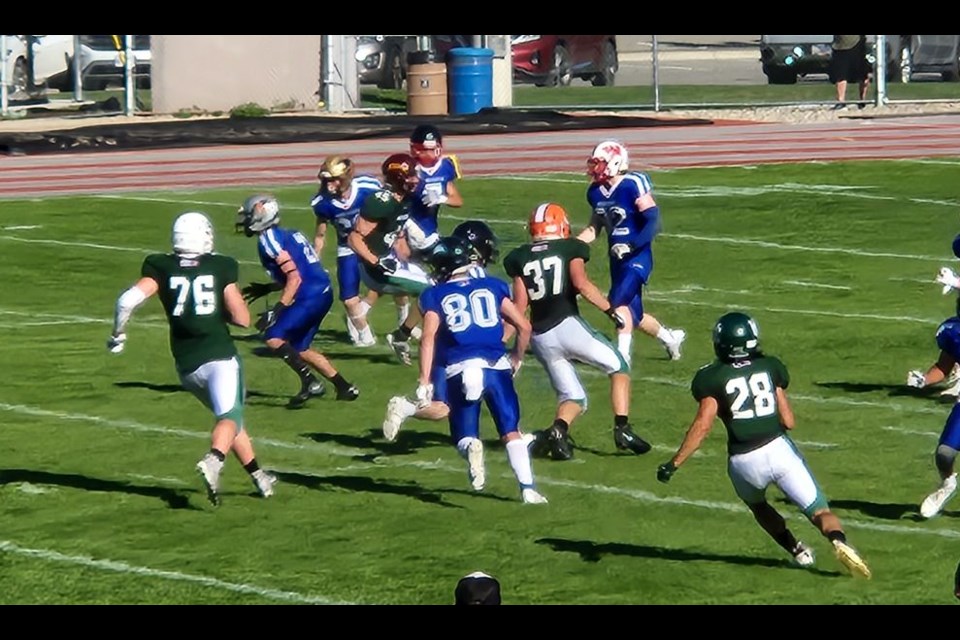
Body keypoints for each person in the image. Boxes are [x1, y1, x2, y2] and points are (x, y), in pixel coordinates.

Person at [656, 311, 872, 578]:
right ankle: (839, 541)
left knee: (759, 506)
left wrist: (673, 464)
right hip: (779, 449)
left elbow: (703, 425)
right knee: (820, 512)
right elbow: (789, 420)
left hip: (744, 461)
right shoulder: (770, 366)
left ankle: (797, 550)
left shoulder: (711, 377)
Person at [107, 211, 276, 506]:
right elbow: (243, 318)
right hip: (220, 357)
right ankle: (214, 460)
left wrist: (118, 335)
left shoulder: (161, 266)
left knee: (231, 421)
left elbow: (126, 300)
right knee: (230, 417)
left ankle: (259, 476)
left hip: (186, 366)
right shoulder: (221, 266)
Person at [504, 202, 650, 460]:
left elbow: (519, 307)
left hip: (540, 337)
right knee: (619, 367)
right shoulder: (571, 247)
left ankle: (559, 431)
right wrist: (609, 309)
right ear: (561, 225)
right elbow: (581, 284)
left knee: (574, 397)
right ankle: (622, 428)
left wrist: (504, 342)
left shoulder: (519, 257)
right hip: (567, 324)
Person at [417, 235, 547, 504]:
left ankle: (472, 447)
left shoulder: (434, 294)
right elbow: (524, 326)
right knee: (511, 431)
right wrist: (517, 357)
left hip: (460, 367)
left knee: (464, 435)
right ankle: (528, 489)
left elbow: (428, 337)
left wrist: (425, 378)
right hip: (496, 366)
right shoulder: (493, 285)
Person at [236, 194, 360, 408]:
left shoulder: (269, 240)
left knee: (273, 337)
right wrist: (269, 287)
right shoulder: (288, 234)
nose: (246, 220)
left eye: (249, 215)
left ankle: (310, 382)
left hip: (309, 295)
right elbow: (301, 271)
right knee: (300, 348)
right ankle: (344, 387)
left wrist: (277, 309)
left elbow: (295, 277)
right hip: (322, 291)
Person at [381, 220, 499, 442]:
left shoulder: (443, 277)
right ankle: (511, 436)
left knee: (445, 407)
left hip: (446, 348)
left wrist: (404, 331)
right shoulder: (478, 278)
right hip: (459, 350)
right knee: (465, 399)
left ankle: (407, 409)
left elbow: (425, 304)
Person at [577, 140, 686, 368]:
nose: (594, 168)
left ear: (615, 162)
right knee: (633, 315)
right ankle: (670, 338)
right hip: (616, 259)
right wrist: (568, 247)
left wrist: (632, 245)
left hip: (638, 256)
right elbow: (593, 229)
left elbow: (653, 220)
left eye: (599, 163)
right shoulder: (595, 192)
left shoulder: (632, 183)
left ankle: (621, 357)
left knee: (617, 302)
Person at [348, 153, 435, 366]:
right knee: (434, 291)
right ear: (398, 178)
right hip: (376, 269)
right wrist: (375, 261)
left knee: (437, 283)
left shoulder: (403, 198)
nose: (415, 179)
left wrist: (404, 246)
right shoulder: (382, 201)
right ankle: (404, 336)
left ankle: (403, 334)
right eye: (411, 176)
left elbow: (395, 229)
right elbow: (354, 238)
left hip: (388, 260)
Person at [311, 155, 383, 347]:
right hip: (347, 248)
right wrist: (314, 262)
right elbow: (320, 235)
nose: (329, 185)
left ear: (345, 178)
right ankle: (365, 335)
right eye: (326, 180)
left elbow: (387, 207)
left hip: (372, 244)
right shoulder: (322, 203)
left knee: (384, 282)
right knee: (349, 299)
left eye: (333, 179)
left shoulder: (368, 187)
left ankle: (363, 311)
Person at [905, 313, 960, 519]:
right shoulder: (954, 332)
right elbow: (944, 365)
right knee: (944, 453)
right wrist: (925, 380)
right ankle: (947, 483)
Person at [830, 35, 871, 110]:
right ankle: (841, 101)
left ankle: (862, 100)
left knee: (862, 74)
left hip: (856, 45)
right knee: (840, 74)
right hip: (840, 46)